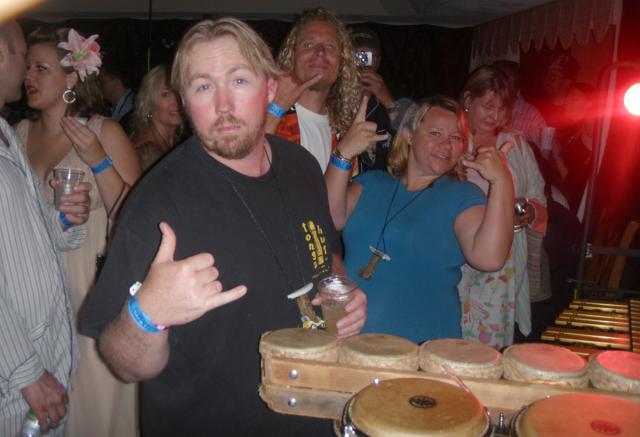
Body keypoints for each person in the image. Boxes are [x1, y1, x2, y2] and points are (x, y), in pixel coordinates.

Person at [80, 17, 366, 436]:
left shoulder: (303, 168)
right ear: (184, 101)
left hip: (312, 416)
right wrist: (147, 314)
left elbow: (327, 256)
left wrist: (343, 291)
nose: (223, 105)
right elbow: (121, 361)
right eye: (203, 87)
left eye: (239, 81)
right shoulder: (156, 204)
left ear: (270, 88)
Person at [16, 26, 141, 437]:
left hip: (89, 288)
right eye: (27, 67)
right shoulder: (17, 136)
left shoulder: (105, 132)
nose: (28, 77)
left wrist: (97, 158)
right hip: (35, 295)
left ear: (71, 77)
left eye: (41, 68)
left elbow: (135, 221)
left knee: (94, 406)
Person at [325, 95, 514, 343]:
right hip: (349, 341)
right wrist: (343, 153)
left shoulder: (463, 196)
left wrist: (502, 181)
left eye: (456, 138)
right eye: (435, 133)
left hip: (422, 348)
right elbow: (327, 221)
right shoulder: (370, 183)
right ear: (409, 135)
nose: (446, 144)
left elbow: (489, 258)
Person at [0, 20, 91, 436]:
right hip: (14, 374)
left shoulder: (6, 133)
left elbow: (21, 236)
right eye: (24, 58)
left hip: (42, 353)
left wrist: (63, 219)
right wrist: (26, 370)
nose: (26, 70)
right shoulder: (19, 130)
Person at [458, 65, 547, 347]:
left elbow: (538, 197)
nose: (494, 115)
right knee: (453, 328)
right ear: (468, 100)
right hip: (456, 247)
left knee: (491, 335)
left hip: (503, 253)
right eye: (488, 106)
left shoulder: (516, 145)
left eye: (501, 108)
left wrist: (529, 211)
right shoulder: (452, 140)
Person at [265, 7, 361, 172]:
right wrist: (276, 108)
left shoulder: (345, 134)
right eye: (309, 44)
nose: (320, 52)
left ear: (342, 64)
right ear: (292, 56)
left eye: (330, 46)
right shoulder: (262, 112)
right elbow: (245, 170)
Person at [350, 27, 406, 173]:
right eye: (357, 55)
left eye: (368, 56)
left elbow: (413, 139)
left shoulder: (396, 97)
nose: (362, 62)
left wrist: (387, 100)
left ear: (378, 61)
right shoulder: (332, 97)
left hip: (382, 181)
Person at [130, 64, 184, 170]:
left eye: (179, 92)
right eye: (166, 94)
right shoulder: (147, 152)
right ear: (149, 103)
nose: (177, 100)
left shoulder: (175, 140)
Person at [100, 59, 136, 133]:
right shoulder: (116, 108)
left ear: (116, 81)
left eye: (103, 82)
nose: (99, 87)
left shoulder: (133, 105)